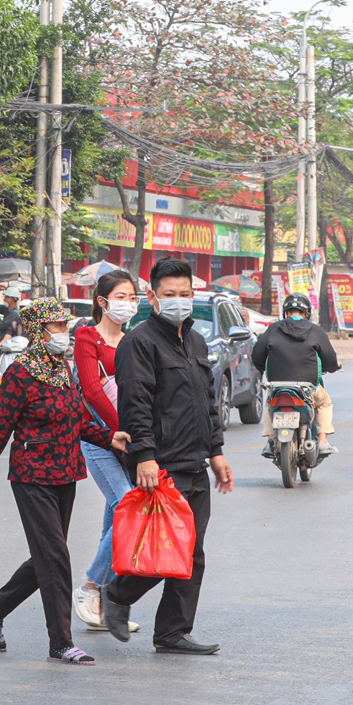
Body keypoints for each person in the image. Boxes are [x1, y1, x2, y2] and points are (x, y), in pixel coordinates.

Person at [0, 300, 129, 666]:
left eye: (63, 326)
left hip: (65, 473)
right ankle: (61, 643)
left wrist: (110, 437)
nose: (62, 334)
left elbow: (76, 421)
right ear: (37, 331)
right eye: (55, 327)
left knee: (47, 557)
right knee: (56, 557)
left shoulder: (61, 367)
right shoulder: (20, 374)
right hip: (31, 475)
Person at [101, 257, 234, 656]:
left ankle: (172, 632)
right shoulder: (138, 343)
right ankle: (118, 594)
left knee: (192, 551)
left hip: (195, 460)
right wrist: (144, 456)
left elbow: (205, 402)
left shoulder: (194, 341)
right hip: (161, 463)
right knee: (171, 548)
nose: (178, 301)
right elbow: (135, 404)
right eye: (169, 295)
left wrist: (216, 452)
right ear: (153, 297)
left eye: (185, 294)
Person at [71, 270, 144, 634]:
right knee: (127, 505)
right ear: (102, 301)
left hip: (129, 439)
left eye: (133, 297)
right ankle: (88, 587)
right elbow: (91, 391)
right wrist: (119, 430)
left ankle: (100, 599)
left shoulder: (131, 341)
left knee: (112, 522)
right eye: (121, 296)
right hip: (100, 438)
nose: (128, 303)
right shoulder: (87, 337)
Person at [250, 292, 341, 455]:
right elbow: (330, 359)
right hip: (308, 389)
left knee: (269, 403)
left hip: (277, 387)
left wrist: (260, 367)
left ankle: (270, 440)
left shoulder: (273, 329)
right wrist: (334, 366)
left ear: (286, 312)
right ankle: (322, 441)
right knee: (324, 403)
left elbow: (257, 355)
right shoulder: (315, 331)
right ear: (306, 313)